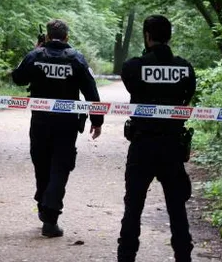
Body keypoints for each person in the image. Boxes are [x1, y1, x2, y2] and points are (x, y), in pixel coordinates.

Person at [12, 19, 103, 237]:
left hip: (41, 123)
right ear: (66, 37)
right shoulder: (76, 59)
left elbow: (17, 78)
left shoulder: (35, 56)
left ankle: (46, 208)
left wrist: (34, 52)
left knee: (42, 165)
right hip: (67, 125)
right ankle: (49, 216)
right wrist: (97, 120)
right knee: (60, 168)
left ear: (47, 35)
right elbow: (91, 91)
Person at [117, 15, 196, 262]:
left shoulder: (134, 66)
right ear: (169, 36)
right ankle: (183, 257)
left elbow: (131, 86)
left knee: (133, 207)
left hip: (143, 144)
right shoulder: (184, 68)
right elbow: (187, 97)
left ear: (147, 36)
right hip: (172, 145)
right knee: (176, 207)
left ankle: (126, 257)